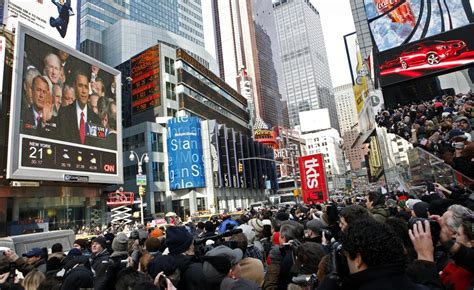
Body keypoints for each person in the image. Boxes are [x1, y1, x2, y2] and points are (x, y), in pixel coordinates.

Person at [58, 71, 100, 145]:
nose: (84, 91)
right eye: (80, 86)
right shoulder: (64, 113)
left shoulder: (96, 119)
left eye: (86, 87)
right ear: (74, 87)